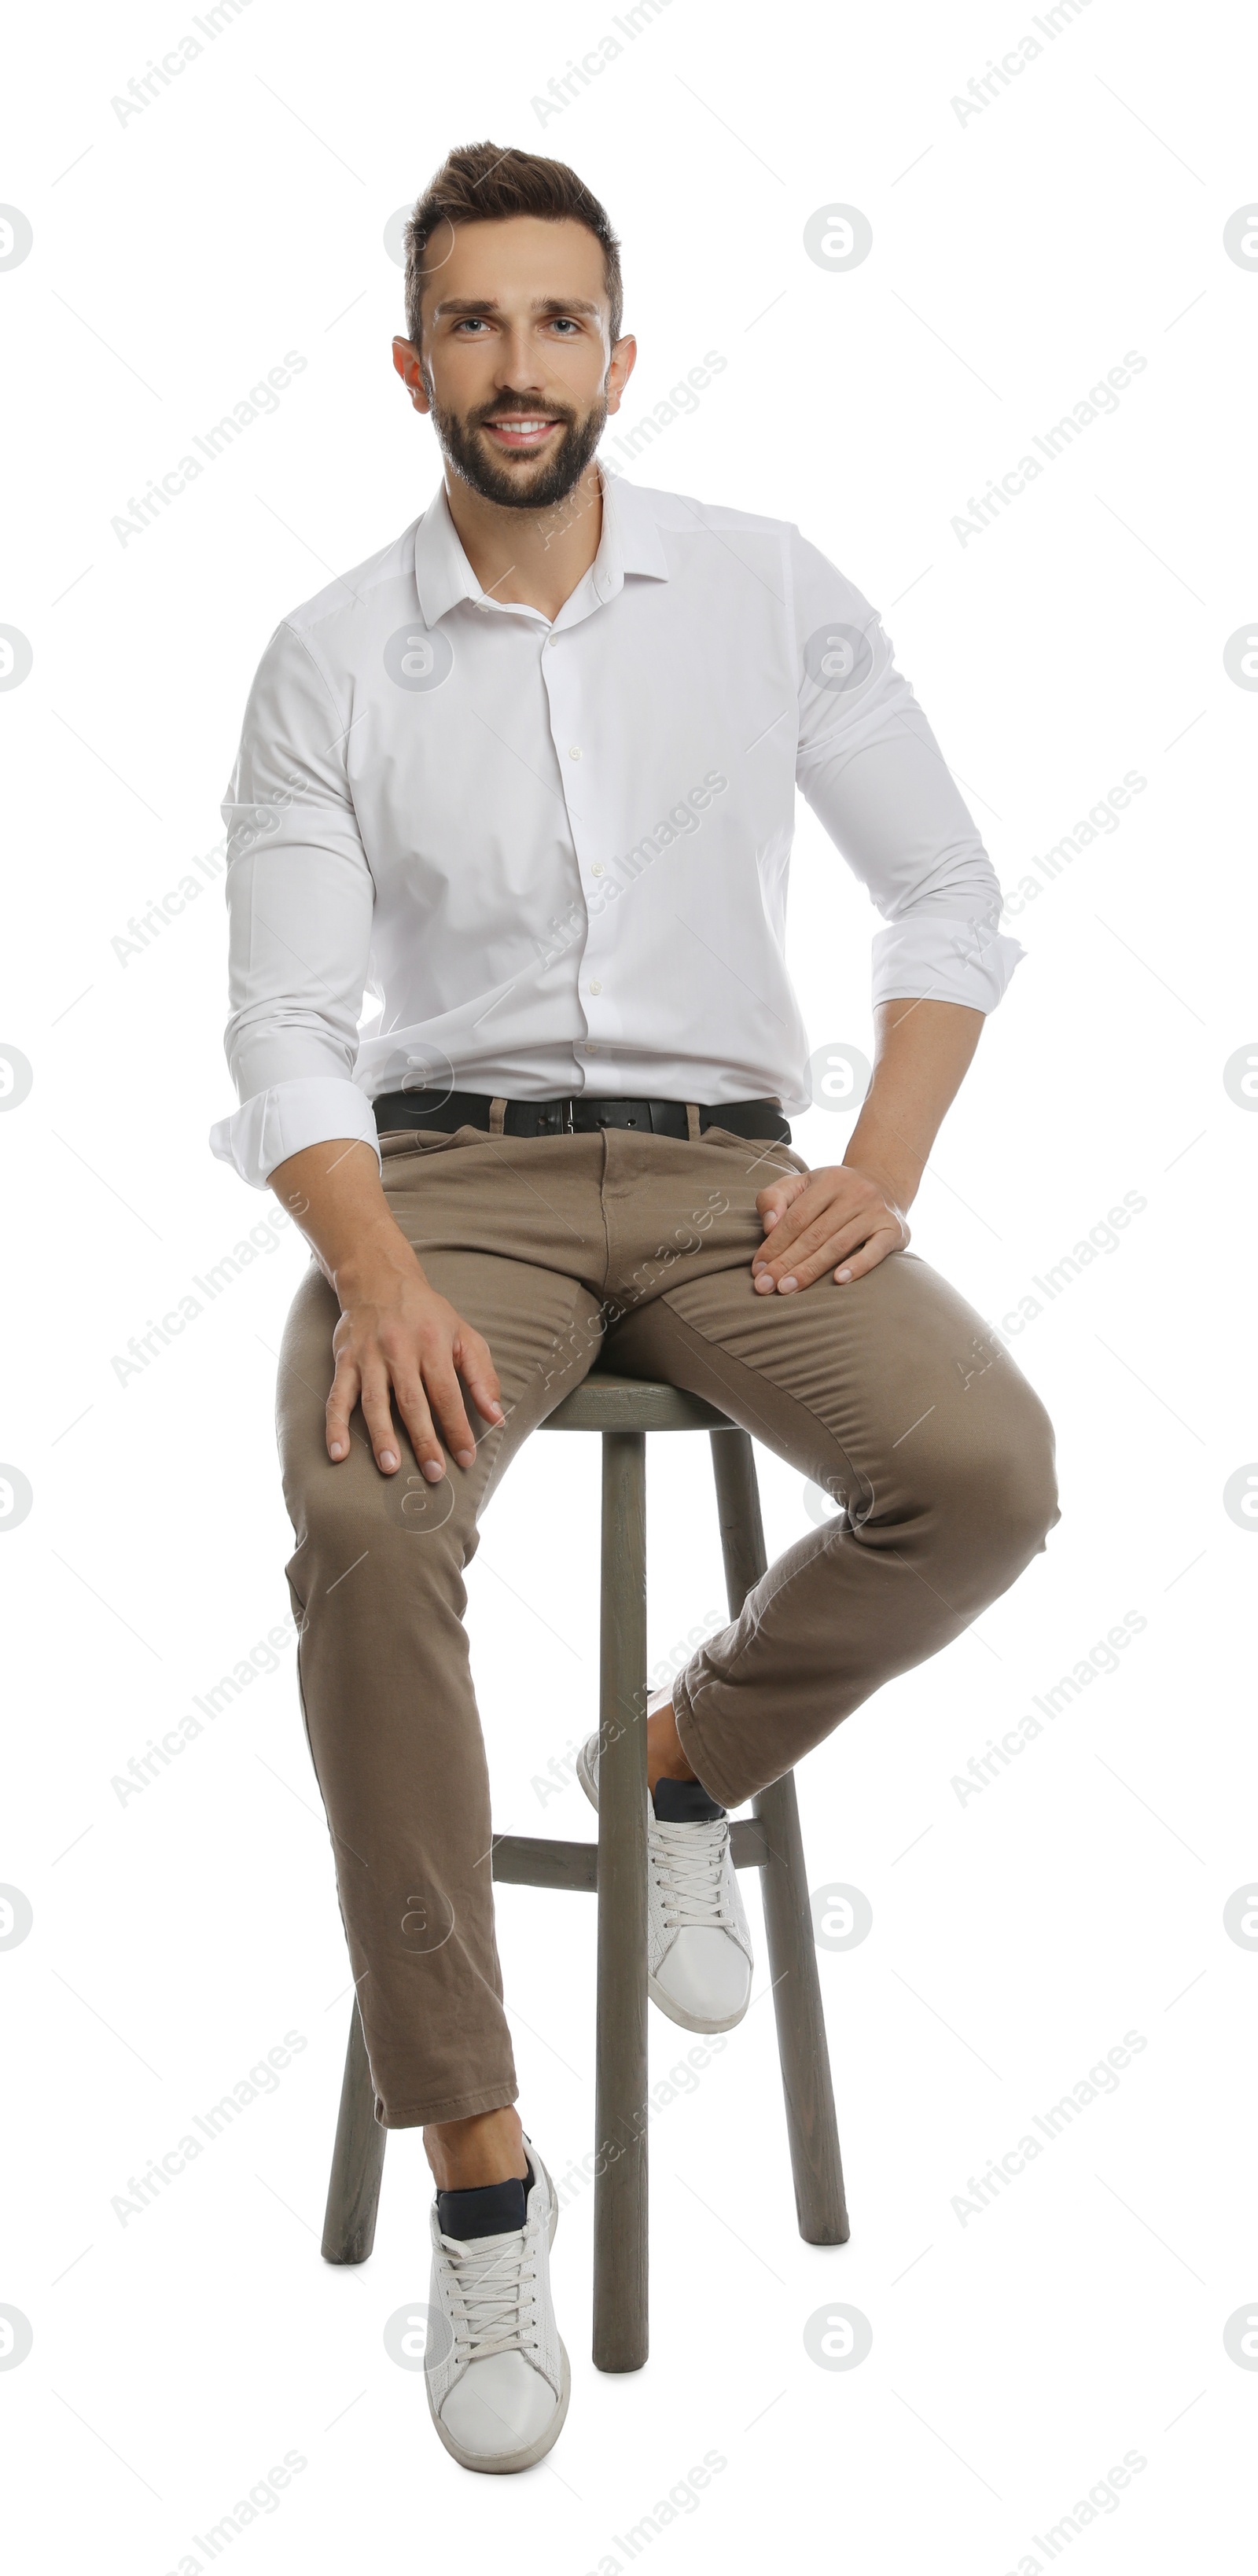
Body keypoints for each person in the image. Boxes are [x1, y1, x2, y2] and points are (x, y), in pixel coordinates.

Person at [210, 139, 1059, 2473]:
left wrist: (875, 1170)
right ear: (413, 365)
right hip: (451, 1187)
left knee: (987, 1469)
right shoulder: (326, 658)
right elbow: (286, 1029)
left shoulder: (765, 592)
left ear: (618, 352)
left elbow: (953, 897)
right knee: (369, 1526)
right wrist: (370, 1263)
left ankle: (685, 1758)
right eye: (472, 325)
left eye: (556, 321)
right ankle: (483, 2174)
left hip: (732, 1192)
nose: (516, 366)